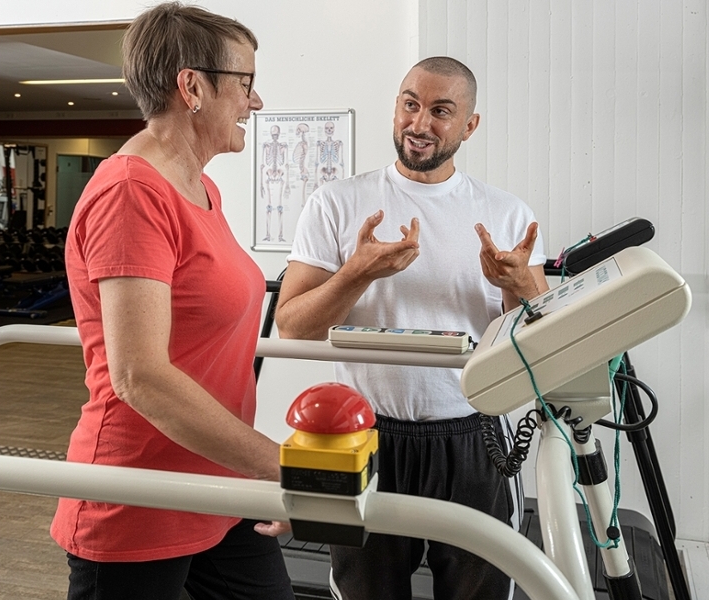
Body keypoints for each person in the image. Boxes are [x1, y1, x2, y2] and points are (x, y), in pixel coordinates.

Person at [275, 56, 550, 600]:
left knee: (481, 594)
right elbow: (291, 327)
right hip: (363, 436)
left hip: (473, 436)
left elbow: (539, 337)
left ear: (469, 126)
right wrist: (355, 274)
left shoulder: (507, 213)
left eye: (441, 111)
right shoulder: (336, 203)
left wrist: (520, 287)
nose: (420, 123)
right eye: (410, 103)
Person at [49, 3, 295, 599]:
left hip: (216, 479)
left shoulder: (202, 187)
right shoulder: (131, 193)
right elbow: (141, 377)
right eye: (246, 84)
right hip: (141, 494)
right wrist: (286, 470)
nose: (255, 102)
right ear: (192, 86)